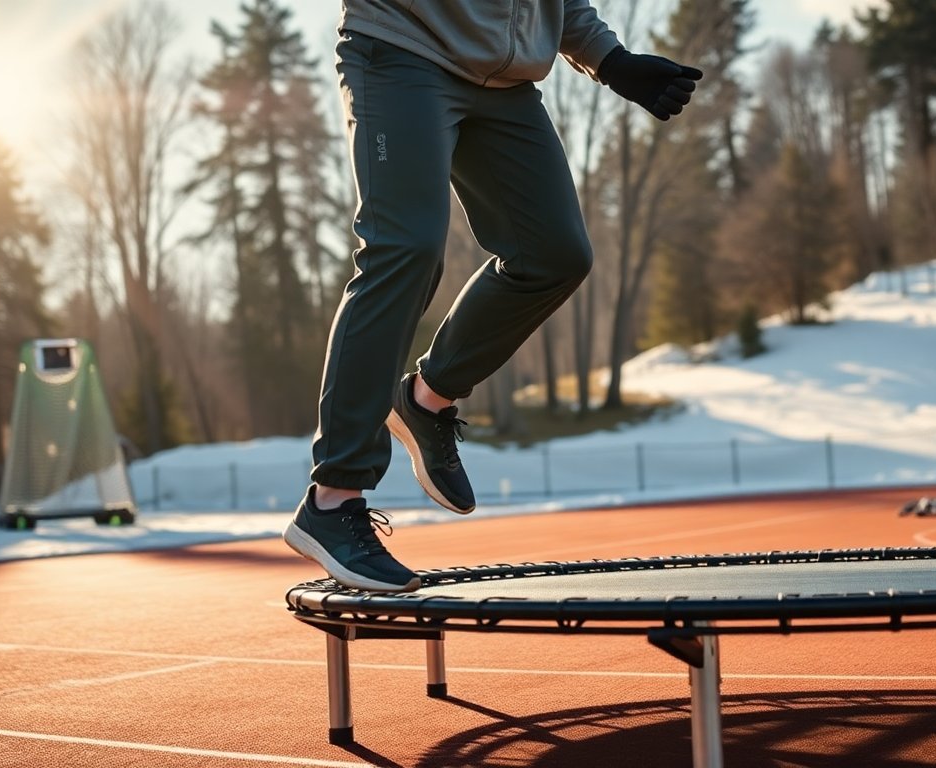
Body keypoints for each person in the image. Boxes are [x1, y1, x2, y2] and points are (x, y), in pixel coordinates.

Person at [282, 1, 703, 592]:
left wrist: (612, 61)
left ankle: (425, 401)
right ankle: (333, 499)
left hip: (504, 84)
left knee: (555, 254)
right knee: (405, 248)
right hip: (403, 50)